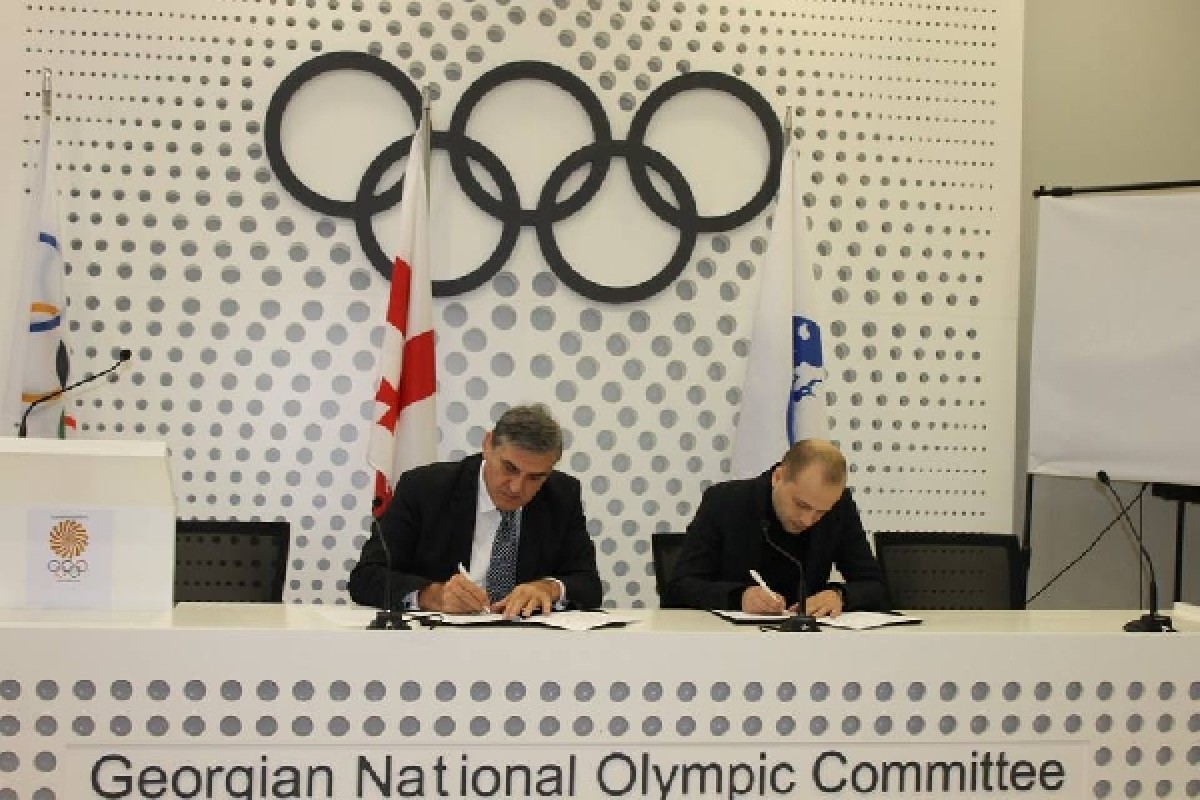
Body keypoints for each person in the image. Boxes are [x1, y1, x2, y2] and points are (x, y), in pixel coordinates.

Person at [348, 404, 603, 617]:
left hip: (526, 645)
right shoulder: (425, 489)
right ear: (488, 445)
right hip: (438, 644)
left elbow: (589, 585)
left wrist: (549, 588)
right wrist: (434, 596)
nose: (517, 487)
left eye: (535, 477)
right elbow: (366, 578)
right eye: (510, 468)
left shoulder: (562, 496)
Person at [668, 439, 886, 615]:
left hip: (809, 643)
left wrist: (839, 595)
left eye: (821, 512)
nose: (808, 520)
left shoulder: (840, 507)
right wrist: (739, 597)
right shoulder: (726, 501)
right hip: (732, 644)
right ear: (778, 477)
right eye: (801, 505)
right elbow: (680, 587)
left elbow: (875, 586)